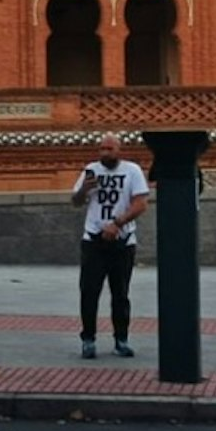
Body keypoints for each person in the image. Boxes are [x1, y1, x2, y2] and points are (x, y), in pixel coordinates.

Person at [72, 133, 149, 359]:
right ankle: (88, 339)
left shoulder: (132, 171)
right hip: (93, 240)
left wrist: (117, 224)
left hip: (122, 241)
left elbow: (141, 204)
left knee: (120, 294)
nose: (104, 153)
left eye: (109, 149)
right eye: (101, 149)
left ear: (119, 150)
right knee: (89, 292)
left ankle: (121, 339)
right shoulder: (91, 170)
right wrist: (84, 189)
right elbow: (76, 202)